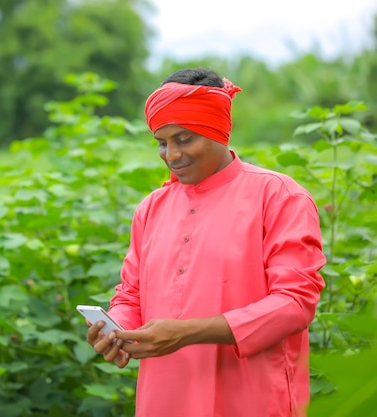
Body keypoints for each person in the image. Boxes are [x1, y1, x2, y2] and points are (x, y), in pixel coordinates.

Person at [85, 67, 326, 417]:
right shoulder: (151, 208)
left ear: (219, 132)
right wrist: (117, 329)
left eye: (184, 139)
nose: (171, 155)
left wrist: (186, 333)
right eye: (161, 142)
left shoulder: (279, 197)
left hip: (253, 397)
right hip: (164, 398)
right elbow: (131, 293)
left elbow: (295, 303)